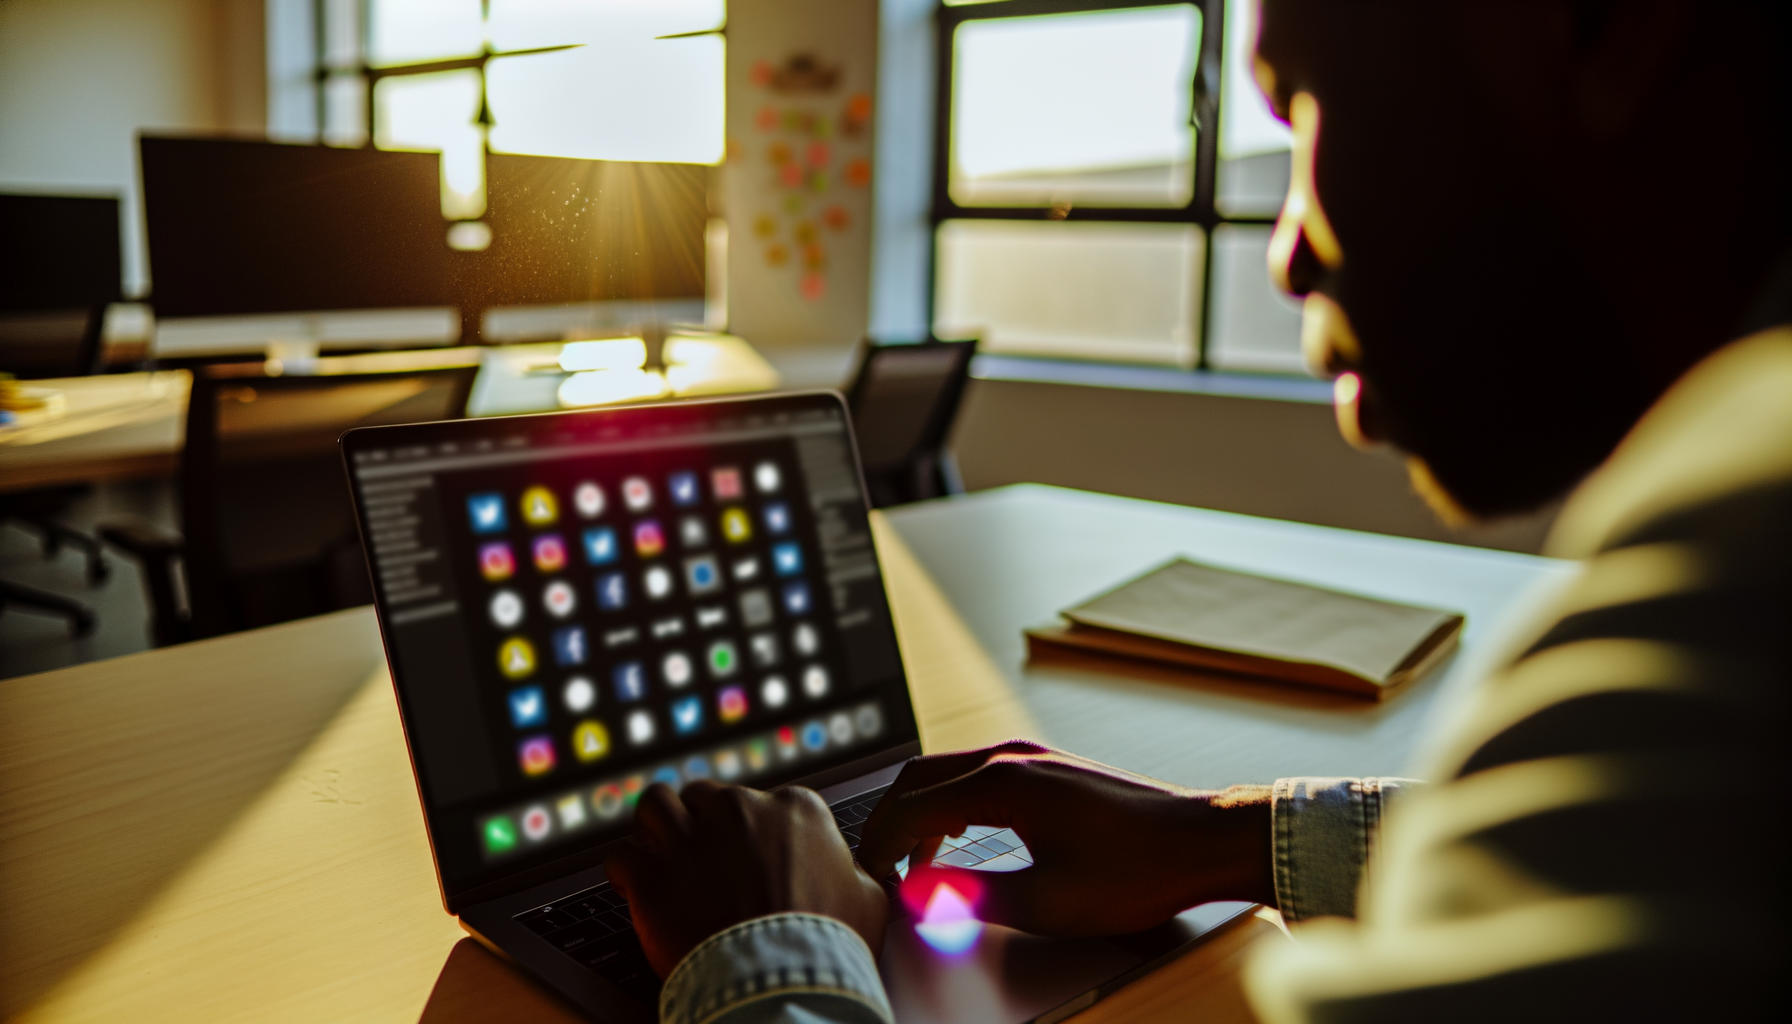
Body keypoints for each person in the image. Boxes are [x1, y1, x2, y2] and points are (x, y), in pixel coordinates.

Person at [603, 1, 1791, 1020]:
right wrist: (1221, 837)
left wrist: (764, 954)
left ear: (1601, 32)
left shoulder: (1748, 571)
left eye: (1306, 100)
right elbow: (1618, 861)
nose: (1286, 257)